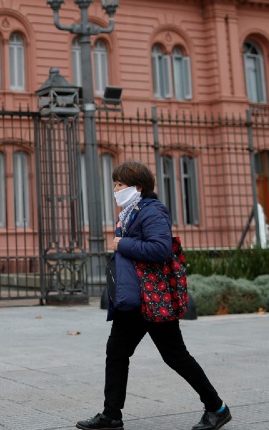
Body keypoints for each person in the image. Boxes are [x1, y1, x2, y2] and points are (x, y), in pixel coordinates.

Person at [77, 160, 231, 430]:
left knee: (175, 356)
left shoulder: (152, 211)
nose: (115, 189)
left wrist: (123, 243)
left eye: (119, 184)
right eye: (114, 184)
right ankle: (111, 415)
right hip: (136, 299)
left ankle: (217, 407)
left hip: (154, 299)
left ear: (138, 187)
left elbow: (161, 249)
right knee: (116, 352)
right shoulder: (130, 212)